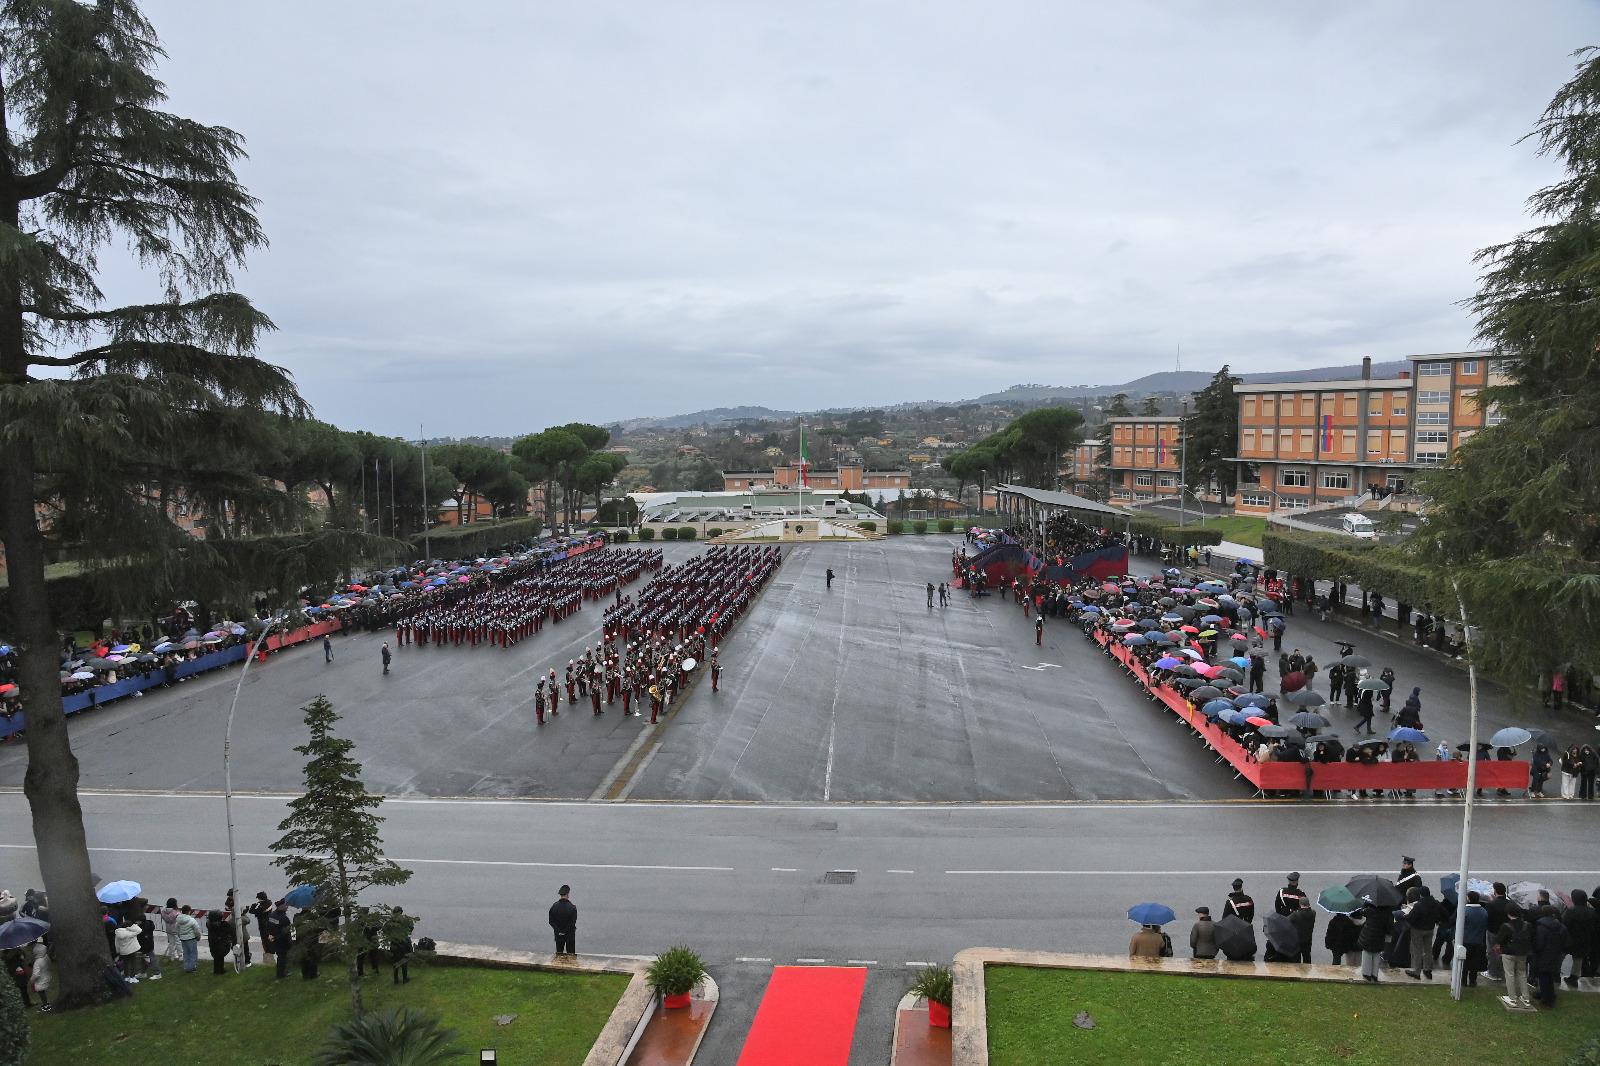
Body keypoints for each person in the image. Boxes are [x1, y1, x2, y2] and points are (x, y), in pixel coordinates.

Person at [1496, 903, 1534, 1009]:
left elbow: (1499, 940)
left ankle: (1512, 998)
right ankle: (1526, 998)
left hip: (1508, 953)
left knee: (1510, 974)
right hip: (1522, 953)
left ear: (1508, 914)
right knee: (1522, 973)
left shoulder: (1506, 926)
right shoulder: (1527, 925)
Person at [1532, 905, 1567, 1007]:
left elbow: (1539, 944)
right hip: (1556, 954)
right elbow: (1565, 941)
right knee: (1550, 976)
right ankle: (1548, 994)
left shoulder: (1541, 927)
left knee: (1543, 976)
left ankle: (1547, 1000)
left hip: (1543, 955)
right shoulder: (1561, 926)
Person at [1402, 887, 1439, 980]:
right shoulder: (1435, 903)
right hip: (1430, 929)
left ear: (1421, 895)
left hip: (1418, 930)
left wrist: (1406, 916)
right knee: (1428, 950)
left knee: (1417, 950)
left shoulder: (1419, 905)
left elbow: (1411, 918)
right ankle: (1427, 970)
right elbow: (1442, 914)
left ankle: (1416, 971)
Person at [1563, 889, 1595, 988]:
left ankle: (1555, 974)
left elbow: (1564, 924)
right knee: (1578, 959)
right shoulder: (1591, 912)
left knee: (1560, 955)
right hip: (1585, 940)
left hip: (1570, 939)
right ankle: (1574, 977)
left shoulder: (1571, 911)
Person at [1357, 899, 1391, 982]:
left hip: (1368, 936)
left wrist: (1365, 903)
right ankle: (1375, 974)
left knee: (1367, 954)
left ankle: (1366, 973)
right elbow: (1389, 927)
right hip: (1379, 936)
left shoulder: (1370, 910)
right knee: (1376, 954)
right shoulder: (1387, 912)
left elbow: (1361, 912)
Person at [1461, 890, 1489, 987]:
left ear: (1468, 899)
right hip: (1478, 941)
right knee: (1474, 962)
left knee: (1463, 961)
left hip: (1465, 940)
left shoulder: (1465, 911)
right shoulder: (1484, 912)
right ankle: (1473, 980)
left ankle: (1463, 980)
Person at [386, 906, 415, 985]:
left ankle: (396, 980)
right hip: (404, 942)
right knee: (404, 960)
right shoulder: (406, 919)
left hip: (394, 942)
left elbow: (385, 929)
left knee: (395, 961)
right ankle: (405, 979)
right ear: (401, 912)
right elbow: (411, 928)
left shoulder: (390, 920)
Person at [266, 900, 292, 979]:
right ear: (281, 906)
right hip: (282, 941)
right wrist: (293, 940)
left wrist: (271, 935)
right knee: (282, 957)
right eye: (286, 905)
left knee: (280, 956)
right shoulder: (284, 918)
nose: (287, 907)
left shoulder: (271, 915)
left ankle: (281, 971)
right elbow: (288, 931)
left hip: (274, 940)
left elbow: (268, 926)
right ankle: (281, 974)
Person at [549, 884, 577, 957]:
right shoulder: (572, 907)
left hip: (558, 935)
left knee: (559, 954)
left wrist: (559, 931)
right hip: (569, 935)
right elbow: (572, 923)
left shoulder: (554, 906)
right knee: (571, 955)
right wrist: (565, 931)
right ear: (568, 894)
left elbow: (551, 921)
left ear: (560, 894)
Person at [207, 908, 236, 975]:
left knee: (217, 958)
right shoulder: (224, 925)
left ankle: (217, 970)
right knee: (220, 957)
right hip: (221, 944)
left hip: (213, 944)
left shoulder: (209, 924)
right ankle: (220, 970)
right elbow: (232, 932)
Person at [174, 904, 202, 973]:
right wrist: (198, 937)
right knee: (193, 953)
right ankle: (192, 967)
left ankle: (186, 966)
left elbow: (177, 929)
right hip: (191, 938)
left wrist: (180, 936)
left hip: (183, 939)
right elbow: (197, 930)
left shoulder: (178, 920)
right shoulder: (191, 920)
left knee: (186, 953)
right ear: (189, 911)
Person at [1290, 897, 1316, 964]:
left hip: (1297, 940)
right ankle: (1307, 972)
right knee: (1307, 957)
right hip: (1308, 939)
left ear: (1300, 904)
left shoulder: (1295, 914)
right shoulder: (1313, 913)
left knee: (1296, 959)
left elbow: (1287, 920)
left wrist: (1293, 912)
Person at [28, 938, 50, 1012]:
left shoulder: (37, 962)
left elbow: (36, 974)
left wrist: (32, 980)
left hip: (40, 979)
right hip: (46, 975)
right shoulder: (46, 956)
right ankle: (46, 1003)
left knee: (41, 993)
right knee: (43, 992)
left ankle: (45, 1006)